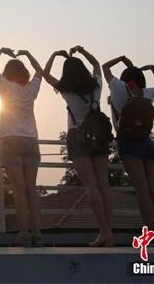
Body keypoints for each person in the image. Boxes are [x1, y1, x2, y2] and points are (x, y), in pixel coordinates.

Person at [43, 46, 113, 246]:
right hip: (99, 136)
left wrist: (55, 55)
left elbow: (45, 74)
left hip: (78, 136)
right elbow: (96, 65)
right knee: (103, 185)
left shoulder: (66, 89)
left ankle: (104, 231)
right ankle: (108, 231)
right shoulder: (96, 86)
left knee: (91, 186)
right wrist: (82, 51)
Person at [102, 55, 154, 231]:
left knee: (142, 190)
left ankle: (152, 232)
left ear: (124, 77)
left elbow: (105, 66)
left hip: (128, 142)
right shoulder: (146, 93)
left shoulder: (116, 86)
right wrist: (152, 68)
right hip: (147, 142)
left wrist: (121, 59)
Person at [0, 47, 44, 246]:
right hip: (30, 140)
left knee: (19, 190)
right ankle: (37, 232)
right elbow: (40, 71)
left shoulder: (4, 85)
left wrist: (1, 51)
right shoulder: (31, 88)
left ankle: (24, 232)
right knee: (31, 189)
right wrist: (28, 55)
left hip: (10, 139)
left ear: (8, 73)